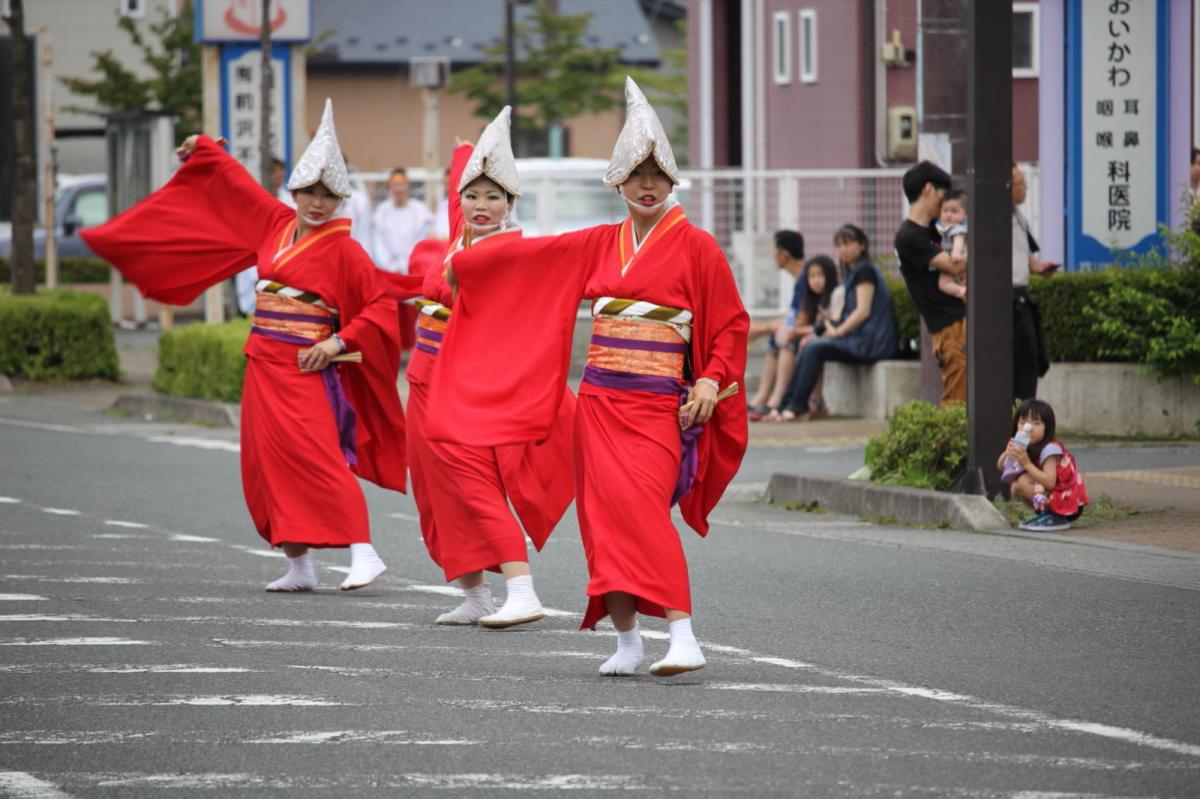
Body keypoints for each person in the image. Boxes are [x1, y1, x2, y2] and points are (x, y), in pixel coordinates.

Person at [426, 77, 748, 676]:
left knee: (644, 514)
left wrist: (709, 379)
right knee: (600, 521)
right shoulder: (599, 243)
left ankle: (683, 635)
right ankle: (627, 641)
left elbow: (730, 323)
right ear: (618, 182)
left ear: (671, 182)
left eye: (656, 175)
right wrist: (470, 264)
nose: (647, 185)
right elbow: (532, 259)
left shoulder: (698, 247)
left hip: (657, 406)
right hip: (598, 404)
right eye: (636, 175)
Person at [81, 99, 406, 592]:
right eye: (309, 192)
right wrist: (204, 148)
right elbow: (236, 186)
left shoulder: (346, 249)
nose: (317, 202)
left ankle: (364, 551)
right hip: (262, 363)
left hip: (306, 366)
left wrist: (338, 342)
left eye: (328, 195)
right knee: (265, 463)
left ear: (341, 200)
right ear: (294, 191)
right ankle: (299, 565)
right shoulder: (275, 223)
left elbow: (380, 305)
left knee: (320, 457)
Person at [406, 109, 575, 628]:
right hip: (424, 379)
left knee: (475, 484)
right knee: (437, 491)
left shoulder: (510, 254)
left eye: (493, 197)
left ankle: (522, 589)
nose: (481, 206)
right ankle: (475, 594)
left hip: (467, 389)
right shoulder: (461, 237)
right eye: (473, 196)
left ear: (510, 204)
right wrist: (466, 152)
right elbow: (459, 198)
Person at [779, 225, 898, 420]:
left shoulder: (865, 271)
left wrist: (839, 331)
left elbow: (863, 311)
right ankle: (786, 405)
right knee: (810, 344)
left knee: (814, 348)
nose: (843, 249)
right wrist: (826, 329)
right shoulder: (852, 272)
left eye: (848, 244)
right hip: (859, 339)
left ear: (862, 245)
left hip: (872, 342)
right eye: (839, 245)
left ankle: (796, 407)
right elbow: (842, 313)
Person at [895, 161, 967, 406]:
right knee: (957, 397)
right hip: (947, 323)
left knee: (967, 392)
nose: (944, 202)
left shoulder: (934, 232)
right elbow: (954, 266)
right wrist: (982, 247)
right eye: (942, 195)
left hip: (957, 318)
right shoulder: (909, 236)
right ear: (928, 190)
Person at [752, 254, 839, 422]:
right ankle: (767, 397)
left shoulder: (834, 296)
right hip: (813, 338)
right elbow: (801, 323)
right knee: (778, 340)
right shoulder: (810, 298)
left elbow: (826, 326)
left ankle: (780, 399)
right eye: (812, 276)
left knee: (793, 342)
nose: (816, 280)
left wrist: (796, 331)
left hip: (829, 339)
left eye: (820, 275)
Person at [996, 399, 1089, 533]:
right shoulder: (1025, 444)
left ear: (1047, 428)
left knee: (1022, 483)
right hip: (1053, 494)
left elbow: (1050, 483)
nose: (1028, 428)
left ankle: (1056, 516)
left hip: (1067, 502)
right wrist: (1007, 453)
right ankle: (1046, 514)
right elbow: (1001, 467)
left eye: (1036, 423)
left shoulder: (1050, 449)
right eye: (1023, 422)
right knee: (1016, 485)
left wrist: (1027, 464)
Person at [373, 166, 434, 355]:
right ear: (389, 187)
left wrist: (411, 263)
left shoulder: (419, 211)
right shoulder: (381, 212)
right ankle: (394, 350)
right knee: (392, 311)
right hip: (390, 268)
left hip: (413, 268)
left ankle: (416, 350)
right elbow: (377, 241)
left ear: (408, 186)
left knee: (413, 312)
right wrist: (390, 264)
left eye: (402, 184)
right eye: (394, 184)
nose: (398, 188)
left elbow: (423, 239)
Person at [747, 230, 804, 417]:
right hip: (800, 328)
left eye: (774, 252)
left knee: (782, 337)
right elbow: (792, 315)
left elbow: (801, 319)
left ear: (784, 255)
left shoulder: (805, 277)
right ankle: (762, 397)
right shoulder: (800, 279)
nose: (773, 257)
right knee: (774, 336)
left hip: (808, 331)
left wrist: (763, 328)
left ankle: (776, 399)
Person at [1012, 163, 1054, 403]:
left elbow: (1025, 254)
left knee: (1030, 359)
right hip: (1005, 299)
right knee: (1014, 362)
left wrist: (1038, 267)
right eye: (1021, 183)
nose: (1026, 189)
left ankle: (1025, 414)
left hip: (1021, 296)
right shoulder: (991, 218)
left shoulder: (1019, 217)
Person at [233, 156, 292, 315]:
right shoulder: (253, 202)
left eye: (281, 174)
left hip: (283, 265)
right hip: (255, 266)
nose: (278, 178)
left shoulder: (290, 202)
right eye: (275, 173)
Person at [935, 190, 968, 301]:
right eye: (945, 211)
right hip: (955, 262)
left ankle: (960, 290)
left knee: (943, 284)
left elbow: (958, 239)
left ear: (965, 214)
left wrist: (956, 253)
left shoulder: (956, 227)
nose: (949, 214)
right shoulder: (944, 227)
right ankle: (962, 291)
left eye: (954, 211)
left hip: (955, 258)